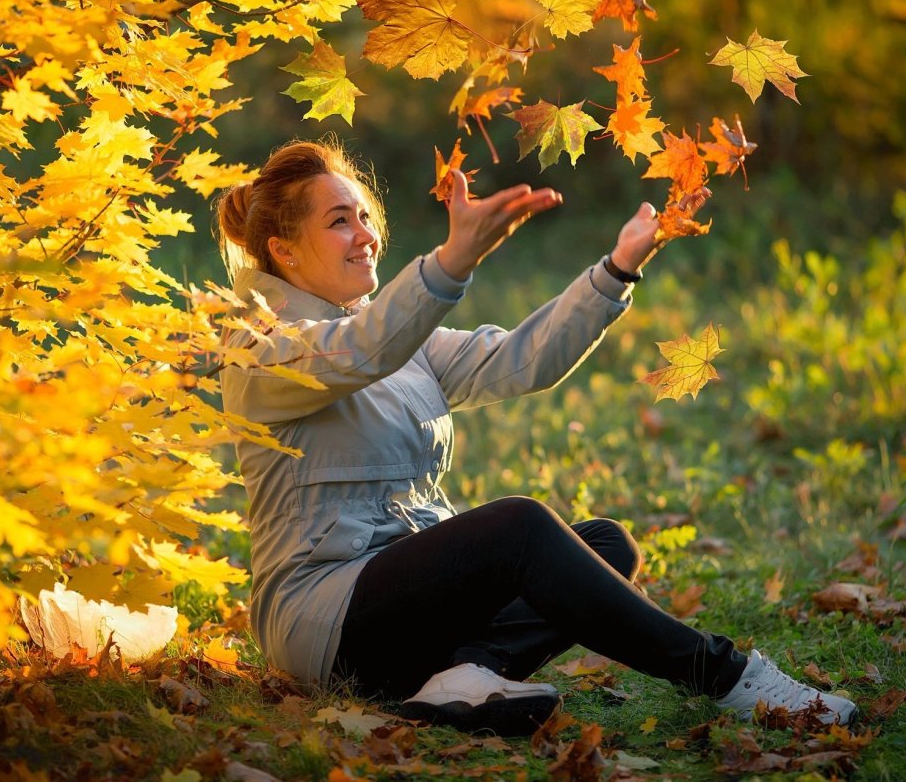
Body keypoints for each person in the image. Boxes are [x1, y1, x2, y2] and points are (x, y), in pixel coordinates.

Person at [216, 138, 856, 737]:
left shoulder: (393, 340)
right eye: (339, 222)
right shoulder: (259, 346)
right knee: (520, 529)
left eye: (363, 215)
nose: (366, 235)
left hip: (403, 609)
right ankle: (728, 677)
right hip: (323, 617)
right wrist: (450, 262)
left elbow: (521, 359)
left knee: (604, 543)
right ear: (285, 251)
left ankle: (461, 676)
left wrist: (617, 269)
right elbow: (357, 353)